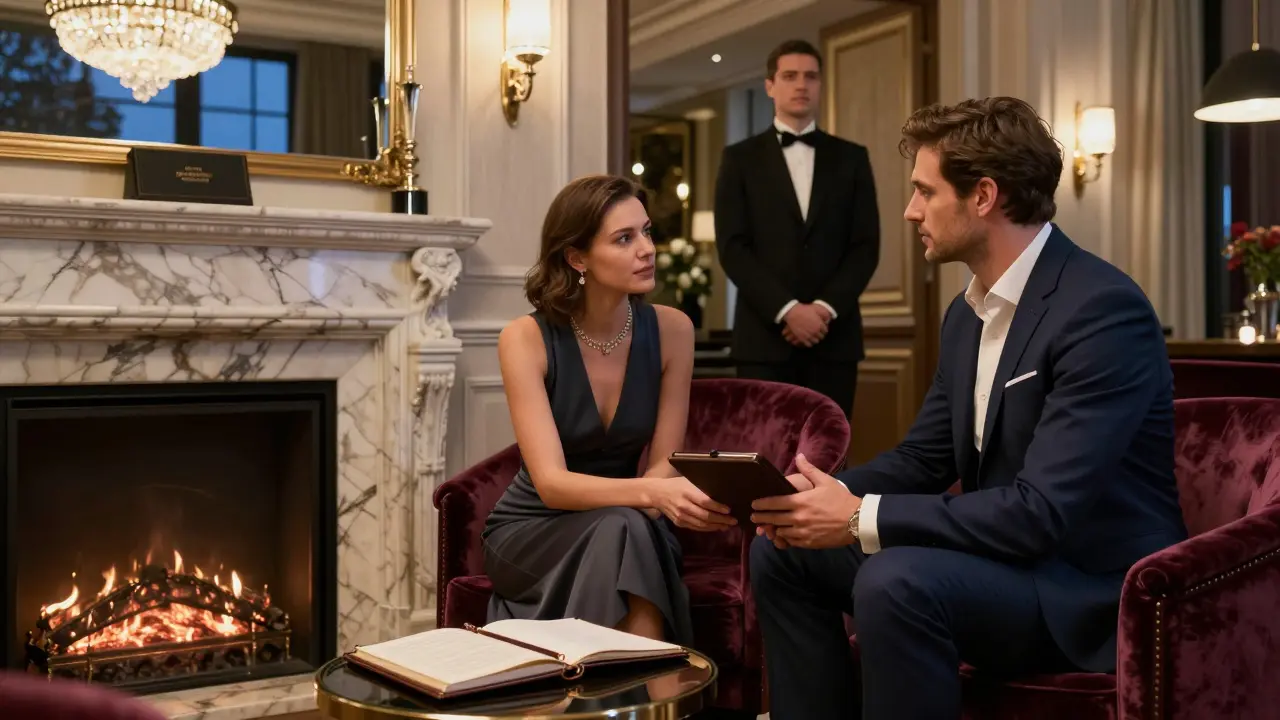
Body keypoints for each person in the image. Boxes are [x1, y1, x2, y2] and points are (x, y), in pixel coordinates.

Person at [746, 97, 1188, 719]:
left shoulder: (1101, 310)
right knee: (783, 551)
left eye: (925, 192)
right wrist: (810, 498)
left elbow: (1040, 513)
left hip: (1080, 590)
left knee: (894, 581)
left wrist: (857, 517)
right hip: (999, 561)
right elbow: (923, 458)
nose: (910, 211)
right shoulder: (967, 313)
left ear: (983, 195)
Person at [482, 175, 737, 647]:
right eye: (625, 238)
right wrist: (653, 497)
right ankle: (658, 696)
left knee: (623, 531)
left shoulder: (673, 330)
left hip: (628, 522)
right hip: (532, 531)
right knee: (626, 530)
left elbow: (665, 461)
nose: (647, 249)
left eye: (647, 232)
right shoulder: (524, 339)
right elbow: (552, 485)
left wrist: (654, 497)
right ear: (577, 258)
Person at [714, 39, 880, 419]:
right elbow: (733, 248)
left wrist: (822, 310)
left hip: (834, 338)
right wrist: (788, 310)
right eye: (790, 76)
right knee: (764, 456)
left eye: (811, 77)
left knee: (829, 452)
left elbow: (865, 246)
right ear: (770, 85)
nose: (801, 85)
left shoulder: (852, 158)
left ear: (821, 85)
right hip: (763, 340)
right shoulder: (738, 159)